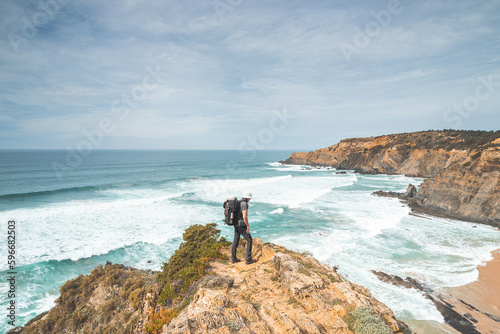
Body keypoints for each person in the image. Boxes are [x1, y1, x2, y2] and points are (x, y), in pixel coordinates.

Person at [231, 192, 256, 264]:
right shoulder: (244, 204)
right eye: (249, 198)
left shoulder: (238, 202)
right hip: (241, 224)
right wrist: (248, 226)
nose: (250, 199)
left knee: (236, 240)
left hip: (236, 223)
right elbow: (244, 217)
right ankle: (248, 259)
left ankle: (233, 258)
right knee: (249, 240)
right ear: (247, 198)